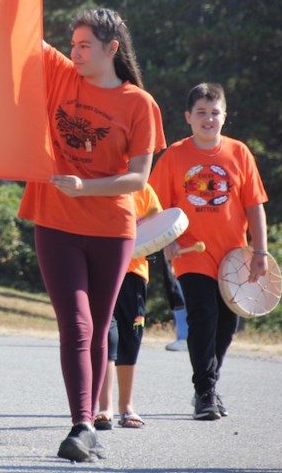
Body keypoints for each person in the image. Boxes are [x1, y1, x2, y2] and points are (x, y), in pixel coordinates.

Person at [18, 0, 166, 464]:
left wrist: (87, 186)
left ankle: (92, 424)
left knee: (101, 327)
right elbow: (18, 30)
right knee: (77, 325)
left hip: (112, 228)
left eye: (84, 45)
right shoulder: (61, 76)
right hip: (55, 222)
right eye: (72, 44)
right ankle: (81, 423)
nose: (74, 52)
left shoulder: (138, 104)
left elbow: (137, 180)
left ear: (111, 49)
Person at [149, 82, 268, 421]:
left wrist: (260, 250)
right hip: (191, 253)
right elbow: (153, 205)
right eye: (200, 112)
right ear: (188, 117)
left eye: (214, 112)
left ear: (224, 116)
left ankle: (209, 385)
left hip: (234, 256)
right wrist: (166, 242)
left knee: (227, 324)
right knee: (203, 316)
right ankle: (204, 392)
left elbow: (254, 206)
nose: (208, 119)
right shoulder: (174, 155)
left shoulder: (239, 153)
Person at [95, 184, 162, 431]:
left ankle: (127, 407)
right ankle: (105, 408)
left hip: (134, 272)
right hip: (100, 269)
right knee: (106, 335)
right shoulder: (97, 182)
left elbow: (159, 225)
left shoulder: (142, 188)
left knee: (131, 338)